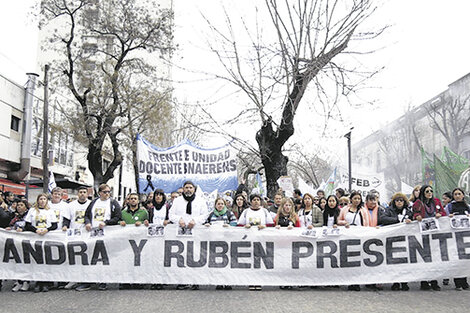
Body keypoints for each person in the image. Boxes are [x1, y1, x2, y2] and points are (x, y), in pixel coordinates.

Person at [76, 184, 122, 292]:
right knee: (90, 257)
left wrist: (106, 222)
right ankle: (87, 281)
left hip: (106, 234)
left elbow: (118, 217)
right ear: (99, 193)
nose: (107, 194)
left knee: (103, 258)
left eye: (109, 192)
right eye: (105, 192)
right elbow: (86, 215)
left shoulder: (113, 203)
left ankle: (102, 280)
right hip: (92, 234)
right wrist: (87, 223)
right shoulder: (93, 202)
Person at [169, 181, 209, 290]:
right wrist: (179, 220)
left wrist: (195, 221)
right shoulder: (177, 201)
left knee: (195, 256)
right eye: (186, 187)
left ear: (194, 189)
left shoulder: (201, 201)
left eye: (190, 187)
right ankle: (182, 281)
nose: (188, 189)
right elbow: (171, 214)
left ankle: (195, 280)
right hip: (181, 233)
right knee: (181, 257)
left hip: (196, 232)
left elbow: (205, 215)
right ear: (183, 189)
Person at [412, 185, 445, 291]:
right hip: (423, 234)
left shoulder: (436, 201)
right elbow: (413, 213)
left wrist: (440, 214)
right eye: (427, 191)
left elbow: (443, 212)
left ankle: (434, 281)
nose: (430, 193)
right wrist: (417, 216)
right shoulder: (418, 203)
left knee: (435, 257)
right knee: (424, 258)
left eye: (431, 191)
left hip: (435, 234)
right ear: (423, 192)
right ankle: (424, 281)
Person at [378, 192, 412, 291]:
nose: (399, 202)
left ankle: (404, 282)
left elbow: (413, 219)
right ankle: (396, 282)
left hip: (405, 239)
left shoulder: (408, 211)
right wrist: (397, 220)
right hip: (393, 239)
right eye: (397, 200)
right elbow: (383, 218)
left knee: (404, 262)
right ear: (394, 202)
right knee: (395, 262)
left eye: (401, 200)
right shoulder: (389, 210)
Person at [24, 193, 58, 292]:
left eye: (44, 199)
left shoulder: (50, 211)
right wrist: (36, 230)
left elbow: (54, 225)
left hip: (46, 238)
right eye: (41, 199)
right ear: (38, 200)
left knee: (46, 259)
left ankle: (46, 283)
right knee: (37, 260)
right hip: (35, 238)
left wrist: (46, 230)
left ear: (47, 201)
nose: (42, 201)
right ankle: (38, 282)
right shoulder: (32, 211)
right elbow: (27, 224)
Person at [337, 191, 369, 291]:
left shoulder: (363, 210)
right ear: (351, 199)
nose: (357, 200)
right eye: (355, 198)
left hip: (359, 237)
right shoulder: (344, 209)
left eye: (358, 199)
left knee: (358, 259)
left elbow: (366, 224)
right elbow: (338, 220)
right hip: (347, 237)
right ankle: (350, 281)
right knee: (349, 260)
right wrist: (344, 223)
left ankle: (357, 282)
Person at [444, 187, 470, 290]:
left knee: (464, 260)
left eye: (459, 194)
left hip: (465, 239)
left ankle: (464, 281)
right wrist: (448, 217)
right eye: (455, 194)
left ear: (463, 195)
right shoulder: (449, 207)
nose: (457, 196)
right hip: (454, 238)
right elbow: (443, 217)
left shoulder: (467, 206)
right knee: (456, 258)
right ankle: (457, 282)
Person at [6, 199, 31, 292]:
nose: (19, 207)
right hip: (16, 243)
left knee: (26, 261)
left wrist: (23, 230)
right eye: (18, 205)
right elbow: (12, 225)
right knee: (17, 262)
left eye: (21, 205)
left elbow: (30, 226)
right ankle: (19, 281)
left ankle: (26, 282)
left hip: (26, 242)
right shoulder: (15, 217)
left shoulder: (29, 216)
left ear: (25, 207)